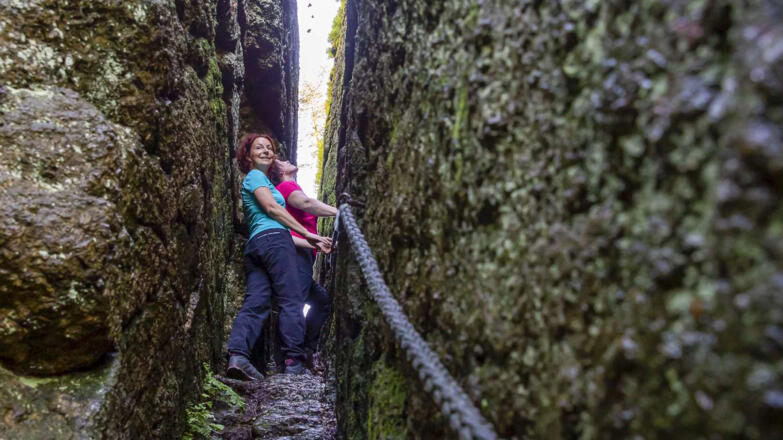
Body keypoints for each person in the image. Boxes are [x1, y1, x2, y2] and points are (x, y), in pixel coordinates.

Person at [226, 133, 331, 380]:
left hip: (257, 246)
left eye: (269, 148)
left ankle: (238, 356)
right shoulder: (255, 177)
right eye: (258, 148)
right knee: (291, 299)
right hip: (274, 242)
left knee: (258, 300)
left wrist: (313, 241)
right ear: (248, 156)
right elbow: (272, 209)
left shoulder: (264, 182)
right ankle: (293, 362)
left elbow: (273, 221)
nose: (265, 150)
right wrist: (308, 233)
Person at [272, 160, 337, 365]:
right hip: (296, 255)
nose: (287, 160)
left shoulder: (292, 187)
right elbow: (307, 204)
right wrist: (339, 212)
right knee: (295, 302)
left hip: (304, 255)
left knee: (321, 300)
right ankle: (292, 358)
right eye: (281, 161)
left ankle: (307, 349)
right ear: (280, 171)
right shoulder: (286, 186)